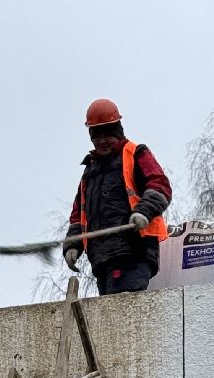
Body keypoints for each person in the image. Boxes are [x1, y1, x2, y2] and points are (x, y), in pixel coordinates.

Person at [63, 98, 172, 295]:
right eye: (97, 135)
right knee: (111, 318)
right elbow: (78, 215)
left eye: (108, 134)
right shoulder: (90, 171)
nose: (102, 140)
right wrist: (73, 245)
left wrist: (144, 212)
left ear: (118, 130)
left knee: (124, 313)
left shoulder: (135, 153)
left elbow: (160, 185)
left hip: (132, 252)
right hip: (101, 259)